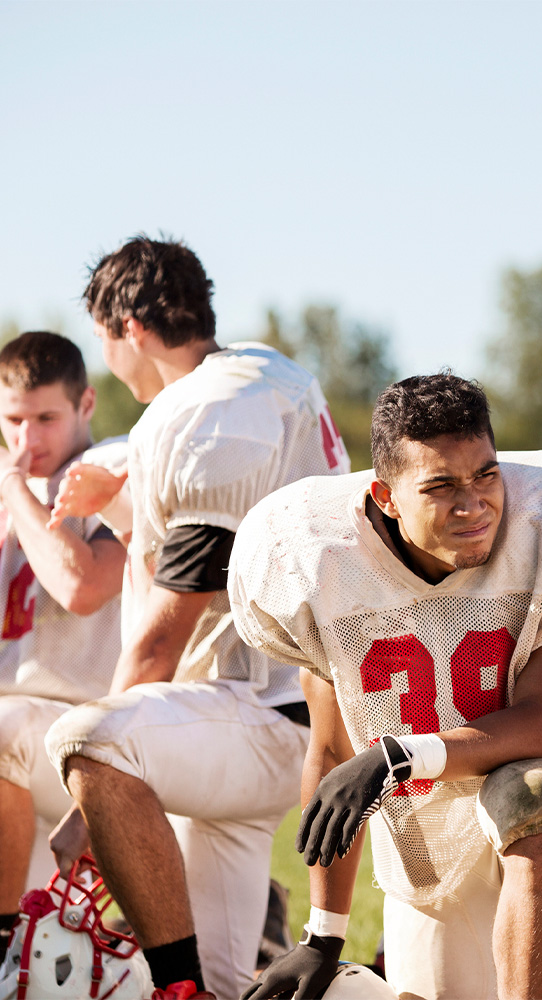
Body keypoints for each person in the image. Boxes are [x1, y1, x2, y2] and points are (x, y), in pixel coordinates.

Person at [227, 372, 542, 1000]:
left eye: (485, 475)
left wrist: (401, 754)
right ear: (387, 498)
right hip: (428, 835)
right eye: (441, 486)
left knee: (525, 790)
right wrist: (323, 935)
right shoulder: (316, 560)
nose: (473, 504)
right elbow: (340, 756)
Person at [42, 235, 350, 999]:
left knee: (86, 738)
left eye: (103, 341)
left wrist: (91, 802)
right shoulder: (266, 375)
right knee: (222, 979)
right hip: (276, 716)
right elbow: (224, 554)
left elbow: (168, 622)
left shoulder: (217, 408)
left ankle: (178, 991)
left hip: (254, 710)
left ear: (129, 331)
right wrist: (116, 503)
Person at [0, 330, 127, 964]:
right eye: (13, 421)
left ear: (85, 405)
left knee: (4, 726)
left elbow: (84, 587)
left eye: (46, 418)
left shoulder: (108, 471)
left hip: (87, 723)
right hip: (13, 744)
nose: (28, 440)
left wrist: (17, 491)